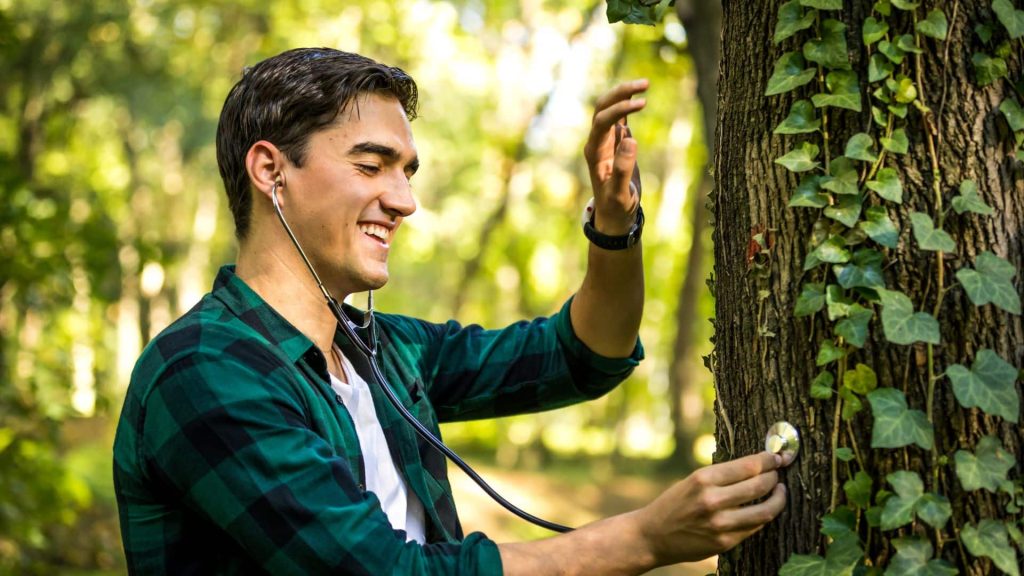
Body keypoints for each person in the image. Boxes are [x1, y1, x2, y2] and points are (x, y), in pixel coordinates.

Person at [113, 48, 787, 575]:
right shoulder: (202, 370)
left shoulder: (386, 349)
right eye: (373, 165)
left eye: (407, 172)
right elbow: (380, 572)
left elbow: (586, 354)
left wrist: (613, 222)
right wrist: (644, 538)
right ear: (270, 171)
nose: (404, 200)